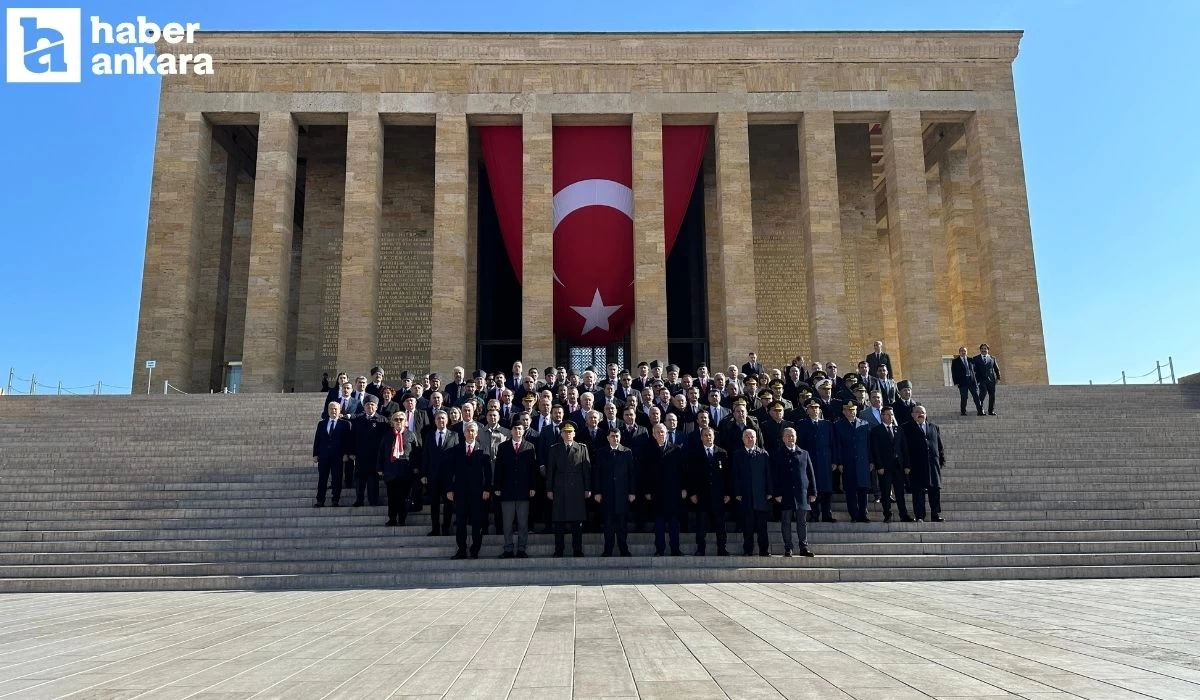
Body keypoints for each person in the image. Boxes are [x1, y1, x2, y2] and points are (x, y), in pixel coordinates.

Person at [546, 421, 591, 557]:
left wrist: (587, 488)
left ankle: (577, 550)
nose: (568, 434)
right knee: (559, 522)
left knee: (577, 522)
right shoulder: (554, 448)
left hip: (577, 488)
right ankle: (559, 550)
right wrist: (549, 489)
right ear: (561, 433)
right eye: (565, 432)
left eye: (570, 432)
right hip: (559, 488)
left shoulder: (582, 448)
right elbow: (550, 471)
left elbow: (587, 471)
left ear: (574, 434)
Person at [447, 422, 492, 559]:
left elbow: (488, 472)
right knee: (460, 522)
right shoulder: (456, 449)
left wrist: (486, 489)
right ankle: (461, 550)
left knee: (477, 522)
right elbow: (450, 471)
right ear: (464, 433)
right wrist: (450, 489)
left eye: (473, 431)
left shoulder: (483, 449)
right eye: (468, 431)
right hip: (460, 492)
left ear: (477, 433)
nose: (471, 433)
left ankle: (474, 550)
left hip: (477, 493)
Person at [641, 423, 686, 556]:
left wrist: (683, 488)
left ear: (667, 433)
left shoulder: (676, 449)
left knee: (673, 523)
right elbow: (645, 473)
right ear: (654, 435)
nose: (661, 434)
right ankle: (660, 549)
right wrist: (647, 490)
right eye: (658, 432)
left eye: (663, 432)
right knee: (659, 523)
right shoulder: (649, 451)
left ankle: (675, 549)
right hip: (656, 492)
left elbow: (682, 471)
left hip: (673, 492)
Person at [771, 427, 817, 557]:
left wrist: (813, 492)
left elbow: (810, 473)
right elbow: (775, 475)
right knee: (786, 521)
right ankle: (788, 547)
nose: (790, 438)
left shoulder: (804, 453)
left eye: (792, 436)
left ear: (796, 437)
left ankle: (804, 547)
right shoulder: (778, 453)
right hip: (785, 494)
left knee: (802, 522)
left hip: (801, 494)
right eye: (787, 436)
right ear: (783, 438)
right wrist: (777, 493)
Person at [593, 426, 636, 557]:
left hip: (622, 495)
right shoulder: (601, 452)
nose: (615, 438)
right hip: (607, 495)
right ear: (608, 438)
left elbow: (631, 474)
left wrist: (632, 492)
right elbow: (597, 474)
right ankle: (608, 550)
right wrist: (597, 492)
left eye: (617, 436)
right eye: (612, 436)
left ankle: (624, 549)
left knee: (622, 525)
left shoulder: (627, 452)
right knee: (608, 525)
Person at [689, 426, 732, 556]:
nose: (708, 437)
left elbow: (728, 475)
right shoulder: (695, 453)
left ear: (714, 436)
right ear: (701, 437)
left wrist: (728, 493)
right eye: (705, 435)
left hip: (718, 495)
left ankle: (722, 548)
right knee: (702, 524)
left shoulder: (722, 453)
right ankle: (701, 549)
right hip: (702, 495)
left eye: (710, 435)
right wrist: (692, 493)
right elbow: (691, 476)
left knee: (720, 524)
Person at [733, 428, 773, 556]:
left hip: (761, 495)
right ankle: (748, 550)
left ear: (756, 438)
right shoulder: (737, 454)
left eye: (752, 437)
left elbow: (768, 474)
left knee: (762, 527)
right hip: (745, 496)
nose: (750, 439)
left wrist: (769, 491)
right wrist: (737, 492)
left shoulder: (763, 454)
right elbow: (735, 475)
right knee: (747, 527)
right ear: (742, 438)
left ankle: (764, 550)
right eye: (747, 437)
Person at [796, 399, 836, 523]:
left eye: (817, 407)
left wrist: (834, 461)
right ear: (807, 411)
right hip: (810, 461)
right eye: (812, 408)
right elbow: (800, 444)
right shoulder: (802, 424)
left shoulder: (827, 424)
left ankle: (827, 514)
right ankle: (814, 515)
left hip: (825, 461)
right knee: (813, 489)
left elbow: (832, 444)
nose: (815, 410)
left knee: (826, 490)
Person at [904, 405, 947, 522]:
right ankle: (919, 516)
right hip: (916, 466)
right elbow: (904, 449)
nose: (920, 414)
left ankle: (935, 514)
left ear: (926, 414)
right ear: (912, 414)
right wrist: (906, 465)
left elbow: (939, 446)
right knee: (918, 492)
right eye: (917, 412)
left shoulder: (934, 427)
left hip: (933, 465)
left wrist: (941, 461)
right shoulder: (906, 428)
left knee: (935, 491)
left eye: (922, 412)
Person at [869, 405, 912, 522]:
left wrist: (907, 465)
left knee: (900, 493)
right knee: (886, 492)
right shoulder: (876, 430)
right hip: (885, 467)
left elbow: (904, 448)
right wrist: (879, 466)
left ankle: (904, 515)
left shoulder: (899, 429)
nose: (890, 417)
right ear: (882, 416)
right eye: (887, 414)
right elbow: (875, 450)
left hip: (898, 466)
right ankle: (887, 514)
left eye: (892, 415)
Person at [832, 401, 873, 523]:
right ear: (844, 411)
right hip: (847, 463)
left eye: (853, 410)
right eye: (848, 410)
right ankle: (854, 515)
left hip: (862, 463)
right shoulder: (838, 425)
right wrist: (839, 462)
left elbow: (868, 445)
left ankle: (863, 514)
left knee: (863, 490)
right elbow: (837, 445)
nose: (851, 412)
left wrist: (871, 460)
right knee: (850, 491)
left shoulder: (864, 424)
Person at [421, 411, 459, 536]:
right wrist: (424, 474)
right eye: (438, 418)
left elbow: (456, 458)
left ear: (447, 420)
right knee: (434, 505)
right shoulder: (429, 436)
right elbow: (425, 456)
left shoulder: (454, 435)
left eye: (443, 418)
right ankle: (435, 529)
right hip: (433, 477)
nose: (441, 420)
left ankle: (446, 527)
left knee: (448, 504)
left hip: (449, 477)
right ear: (435, 421)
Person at [379, 412, 418, 526]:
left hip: (406, 471)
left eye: (401, 419)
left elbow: (416, 453)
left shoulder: (411, 435)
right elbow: (381, 452)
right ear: (392, 422)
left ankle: (402, 519)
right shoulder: (387, 435)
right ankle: (392, 519)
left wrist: (416, 466)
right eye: (396, 419)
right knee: (392, 498)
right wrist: (379, 467)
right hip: (391, 471)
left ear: (405, 421)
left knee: (404, 498)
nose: (398, 421)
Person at [349, 395, 388, 506]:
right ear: (363, 406)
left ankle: (373, 500)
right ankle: (359, 500)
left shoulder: (382, 420)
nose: (370, 406)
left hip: (375, 456)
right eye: (367, 405)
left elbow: (385, 440)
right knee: (359, 479)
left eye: (372, 405)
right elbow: (352, 437)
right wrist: (351, 452)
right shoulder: (358, 419)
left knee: (373, 479)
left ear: (376, 407)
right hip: (360, 455)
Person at [312, 402, 352, 507]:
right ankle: (320, 500)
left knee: (337, 478)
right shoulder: (321, 423)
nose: (333, 411)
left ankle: (335, 500)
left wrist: (346, 453)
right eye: (331, 409)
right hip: (324, 455)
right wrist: (315, 454)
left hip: (338, 456)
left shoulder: (345, 424)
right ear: (328, 410)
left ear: (339, 411)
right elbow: (317, 439)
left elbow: (347, 441)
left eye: (335, 409)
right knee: (322, 479)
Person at [951, 346, 983, 416]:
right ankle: (963, 411)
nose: (963, 352)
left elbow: (975, 370)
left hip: (972, 381)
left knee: (976, 396)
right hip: (962, 382)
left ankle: (980, 411)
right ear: (959, 352)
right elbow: (954, 372)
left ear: (966, 352)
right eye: (962, 351)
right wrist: (956, 382)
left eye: (965, 351)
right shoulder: (955, 361)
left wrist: (977, 380)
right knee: (964, 397)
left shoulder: (971, 359)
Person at [972, 343, 1001, 416]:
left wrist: (998, 377)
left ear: (988, 350)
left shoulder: (992, 358)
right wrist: (974, 379)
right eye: (982, 349)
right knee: (983, 393)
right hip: (981, 380)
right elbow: (973, 370)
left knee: (992, 395)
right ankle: (980, 410)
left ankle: (991, 411)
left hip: (991, 380)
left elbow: (996, 369)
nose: (983, 350)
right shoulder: (975, 358)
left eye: (985, 348)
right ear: (980, 350)